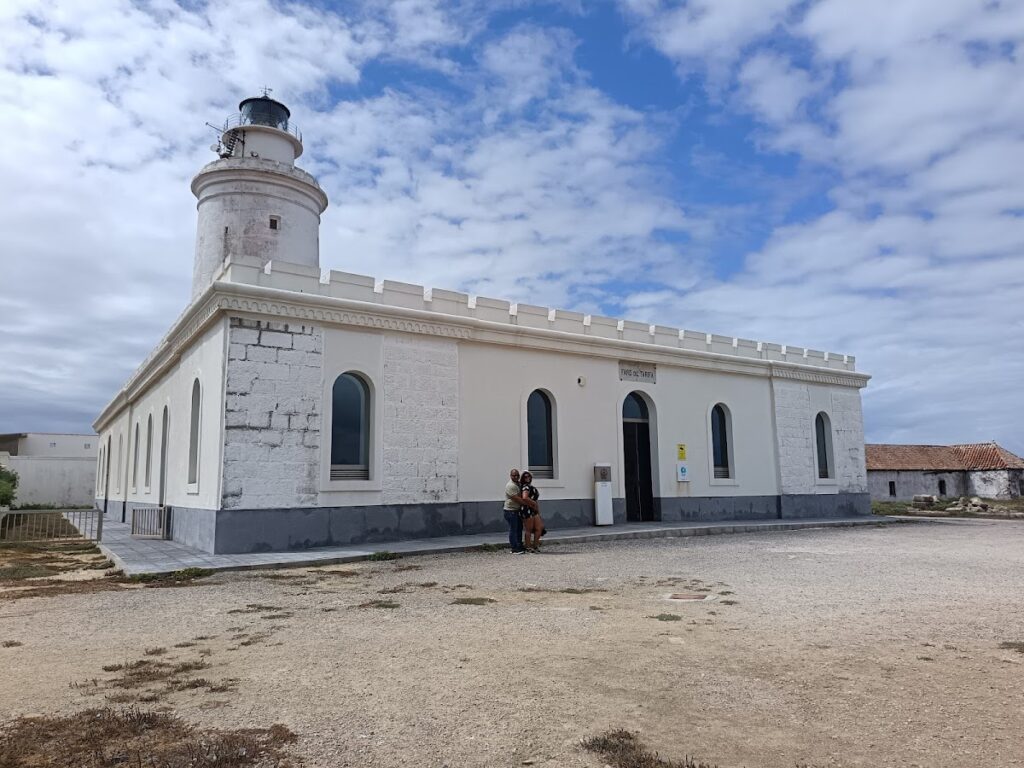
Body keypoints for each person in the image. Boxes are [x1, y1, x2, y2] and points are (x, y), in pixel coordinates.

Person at [519, 470, 545, 553]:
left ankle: (535, 546)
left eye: (529, 476)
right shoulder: (525, 487)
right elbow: (525, 497)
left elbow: (534, 499)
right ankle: (528, 547)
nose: (527, 478)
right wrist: (533, 503)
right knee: (528, 529)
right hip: (527, 509)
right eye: (525, 476)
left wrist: (536, 508)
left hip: (533, 510)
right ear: (523, 478)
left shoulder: (530, 486)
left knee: (539, 528)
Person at [503, 468, 527, 554]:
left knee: (519, 529)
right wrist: (528, 504)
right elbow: (517, 499)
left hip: (517, 510)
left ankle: (519, 545)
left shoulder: (518, 484)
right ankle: (514, 548)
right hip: (510, 511)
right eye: (514, 475)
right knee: (513, 529)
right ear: (510, 476)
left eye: (517, 475)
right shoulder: (511, 486)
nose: (516, 477)